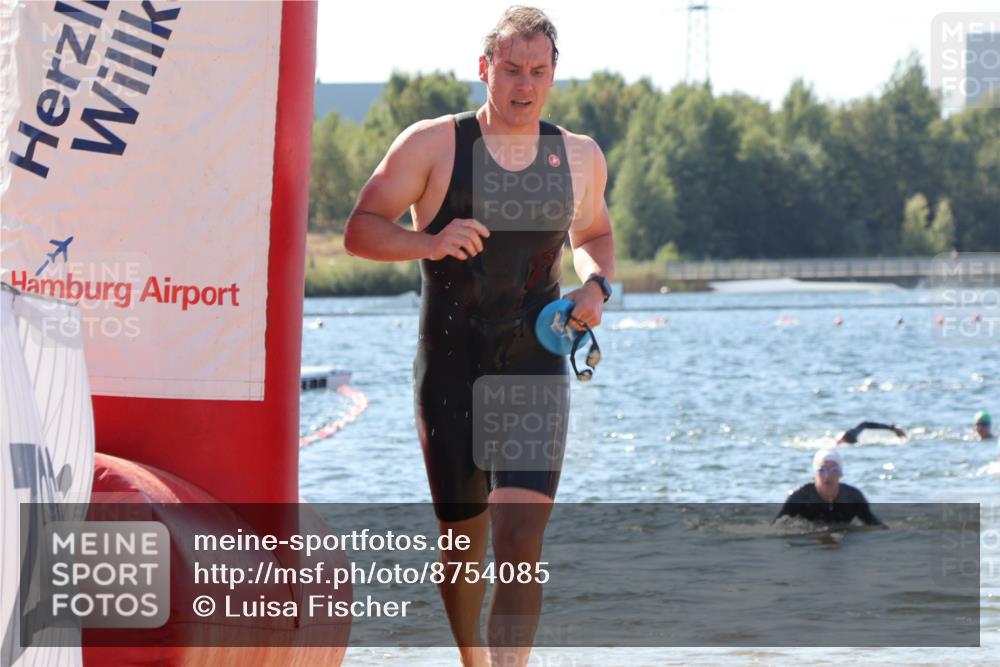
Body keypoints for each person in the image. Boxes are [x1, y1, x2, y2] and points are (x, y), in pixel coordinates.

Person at [343, 7, 615, 666]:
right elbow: (360, 228)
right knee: (463, 544)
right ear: (484, 68)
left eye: (538, 71)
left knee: (520, 540)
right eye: (512, 69)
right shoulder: (433, 145)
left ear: (553, 74)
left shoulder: (577, 156)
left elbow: (595, 236)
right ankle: (472, 657)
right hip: (451, 365)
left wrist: (597, 286)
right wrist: (428, 240)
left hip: (532, 361)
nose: (524, 84)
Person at [773, 448, 887, 527]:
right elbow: (775, 528)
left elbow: (873, 524)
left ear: (841, 474)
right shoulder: (800, 497)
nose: (828, 475)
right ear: (814, 475)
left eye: (834, 470)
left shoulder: (852, 497)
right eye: (822, 470)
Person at [836, 421, 906, 445]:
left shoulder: (849, 436)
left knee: (864, 424)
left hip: (850, 438)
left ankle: (893, 428)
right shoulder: (849, 436)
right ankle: (892, 428)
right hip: (850, 438)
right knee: (864, 424)